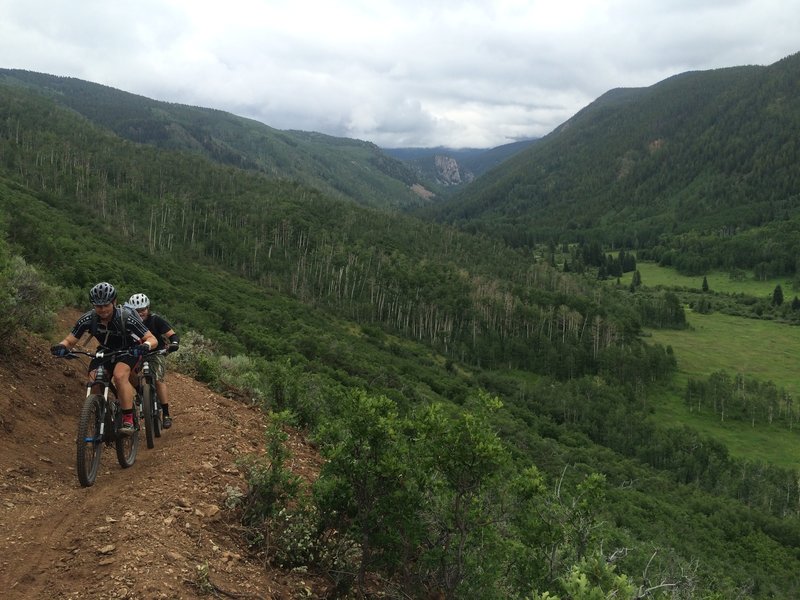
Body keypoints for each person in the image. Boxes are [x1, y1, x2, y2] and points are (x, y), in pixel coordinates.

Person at [51, 282, 158, 434]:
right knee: (94, 380)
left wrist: (145, 346)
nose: (102, 310)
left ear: (114, 302)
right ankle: (102, 415)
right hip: (105, 351)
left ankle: (128, 419)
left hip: (128, 351)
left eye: (106, 305)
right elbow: (69, 340)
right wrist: (61, 347)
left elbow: (152, 338)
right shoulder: (88, 319)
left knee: (120, 376)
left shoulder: (126, 317)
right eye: (98, 306)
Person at [126, 293, 180, 429]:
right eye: (137, 310)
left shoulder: (155, 320)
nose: (140, 313)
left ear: (148, 308)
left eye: (143, 309)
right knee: (128, 373)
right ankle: (140, 392)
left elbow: (172, 334)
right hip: (137, 354)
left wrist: (174, 343)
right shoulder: (128, 322)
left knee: (158, 379)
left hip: (157, 353)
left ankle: (166, 414)